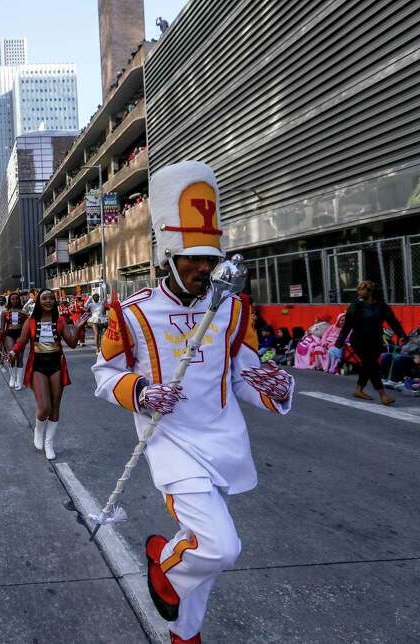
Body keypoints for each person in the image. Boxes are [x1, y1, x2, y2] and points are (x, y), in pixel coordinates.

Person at [91, 161, 294, 644]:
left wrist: (276, 387)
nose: (205, 267)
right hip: (172, 442)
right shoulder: (134, 311)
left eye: (210, 257)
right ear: (169, 256)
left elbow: (243, 376)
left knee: (202, 547)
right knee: (220, 548)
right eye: (193, 259)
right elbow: (103, 374)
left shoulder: (234, 308)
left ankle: (185, 634)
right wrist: (140, 392)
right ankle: (162, 562)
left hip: (223, 440)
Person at [10, 289, 88, 459]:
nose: (48, 301)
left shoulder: (60, 321)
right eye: (45, 298)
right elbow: (21, 341)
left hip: (56, 366)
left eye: (51, 298)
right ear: (39, 301)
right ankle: (39, 429)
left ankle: (49, 443)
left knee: (55, 407)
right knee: (44, 407)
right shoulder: (30, 322)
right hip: (38, 366)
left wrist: (77, 329)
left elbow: (72, 344)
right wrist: (13, 353)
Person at [335, 281, 405, 405]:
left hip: (376, 340)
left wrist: (401, 335)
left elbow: (393, 321)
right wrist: (340, 340)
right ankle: (383, 394)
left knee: (368, 366)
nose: (359, 292)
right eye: (359, 289)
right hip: (359, 340)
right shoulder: (356, 305)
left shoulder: (382, 306)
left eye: (362, 290)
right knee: (372, 365)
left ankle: (359, 390)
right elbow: (347, 325)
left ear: (371, 292)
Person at [381, 317, 420, 384]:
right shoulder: (414, 331)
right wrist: (403, 341)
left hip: (416, 356)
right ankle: (384, 378)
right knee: (385, 355)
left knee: (398, 357)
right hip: (403, 352)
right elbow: (406, 342)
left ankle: (395, 380)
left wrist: (419, 352)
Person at [0, 293, 29, 389]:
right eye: (13, 299)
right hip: (9, 335)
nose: (15, 301)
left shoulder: (24, 312)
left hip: (21, 335)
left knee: (20, 358)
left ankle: (19, 380)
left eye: (16, 299)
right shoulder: (5, 312)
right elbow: (2, 327)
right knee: (11, 356)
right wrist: (0, 338)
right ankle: (12, 377)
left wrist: (27, 337)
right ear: (9, 300)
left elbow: (27, 326)